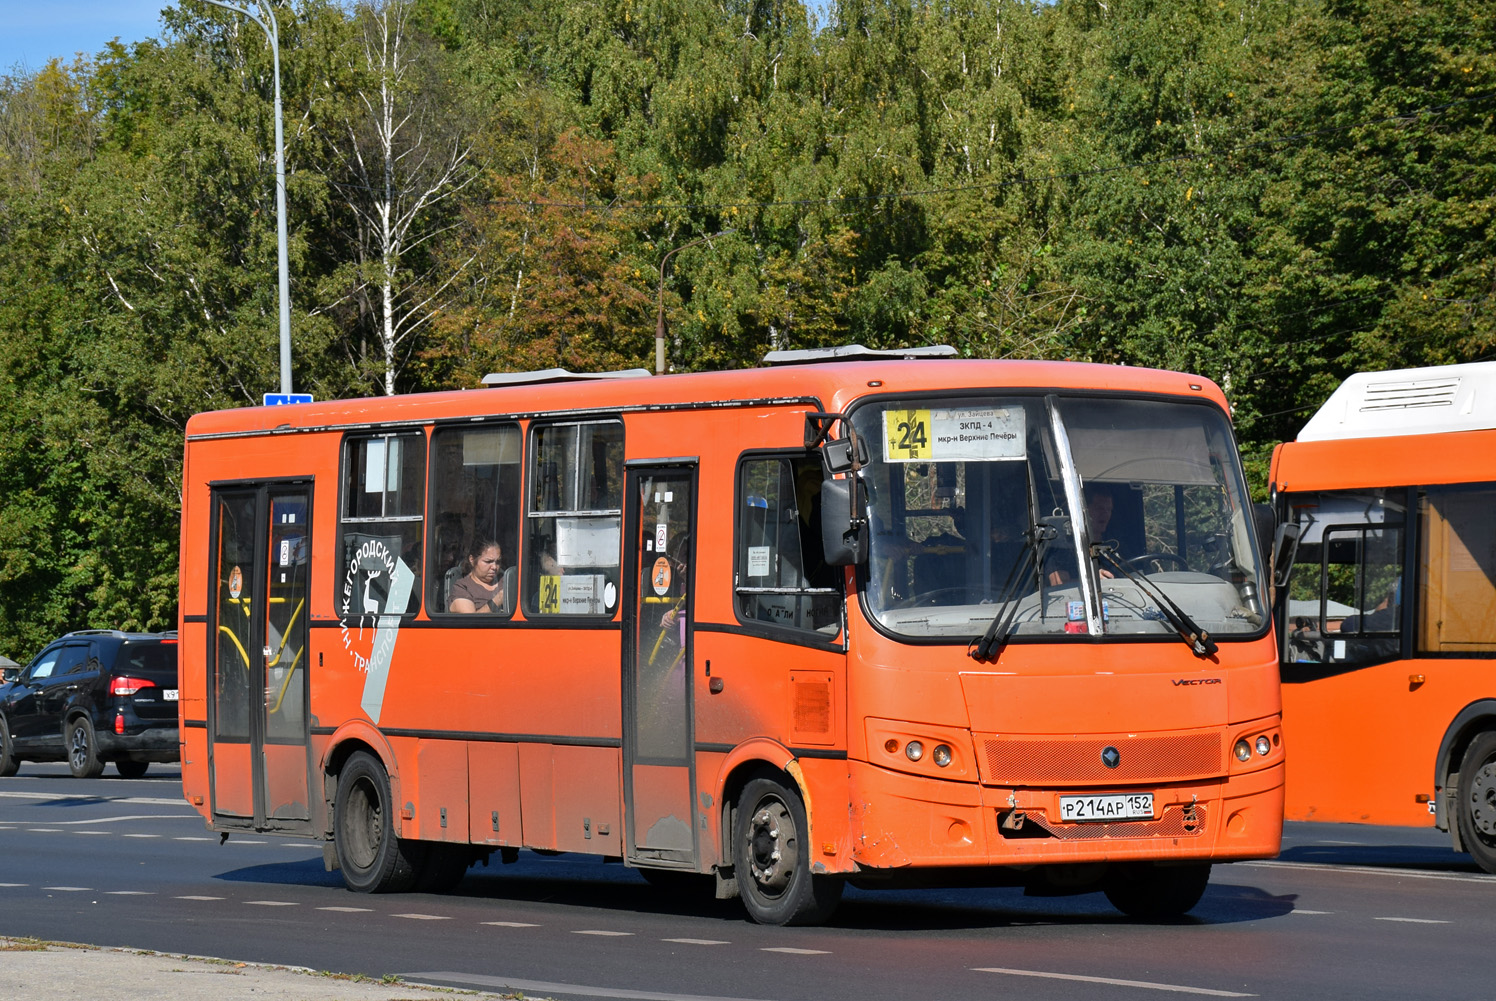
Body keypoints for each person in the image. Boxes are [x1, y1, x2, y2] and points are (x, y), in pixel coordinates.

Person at [1047, 482, 1119, 586]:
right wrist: (1093, 580)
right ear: (1083, 511)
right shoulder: (1065, 549)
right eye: (1099, 508)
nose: (1105, 513)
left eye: (1109, 509)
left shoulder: (1115, 545)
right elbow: (1058, 583)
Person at [449, 539, 507, 613]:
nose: (494, 567)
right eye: (488, 562)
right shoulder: (462, 588)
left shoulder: (506, 581)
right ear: (472, 559)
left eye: (498, 562)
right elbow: (471, 621)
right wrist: (497, 600)